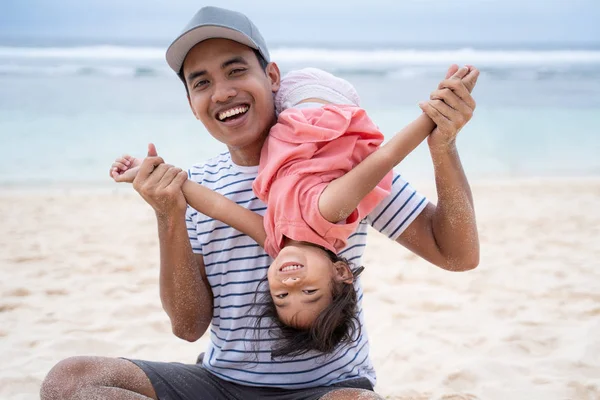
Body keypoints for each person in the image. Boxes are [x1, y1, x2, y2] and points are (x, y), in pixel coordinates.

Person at [40, 6, 480, 400]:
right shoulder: (198, 183)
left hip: (328, 389)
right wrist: (168, 213)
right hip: (220, 384)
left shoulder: (337, 165)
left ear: (271, 78)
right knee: (70, 380)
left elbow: (457, 255)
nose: (222, 92)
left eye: (235, 71)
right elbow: (188, 326)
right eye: (202, 83)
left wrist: (442, 145)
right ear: (193, 105)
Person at [109, 66, 476, 360]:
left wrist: (151, 174)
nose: (291, 285)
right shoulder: (328, 214)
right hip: (324, 109)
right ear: (340, 271)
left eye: (282, 297)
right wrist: (435, 121)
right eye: (311, 292)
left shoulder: (273, 240)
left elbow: (218, 206)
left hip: (286, 127)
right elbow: (383, 158)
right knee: (294, 98)